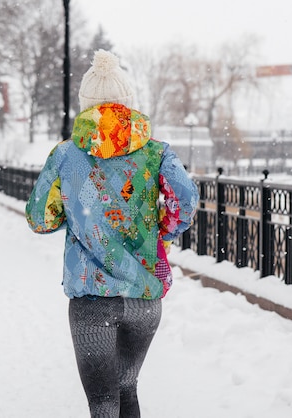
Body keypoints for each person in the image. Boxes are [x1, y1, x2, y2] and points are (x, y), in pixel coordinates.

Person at [25, 49, 199, 417]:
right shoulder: (157, 153)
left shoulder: (65, 155)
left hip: (91, 299)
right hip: (144, 298)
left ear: (85, 105)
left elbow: (40, 218)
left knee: (103, 404)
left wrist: (72, 212)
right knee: (127, 388)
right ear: (128, 103)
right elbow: (185, 200)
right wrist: (164, 229)